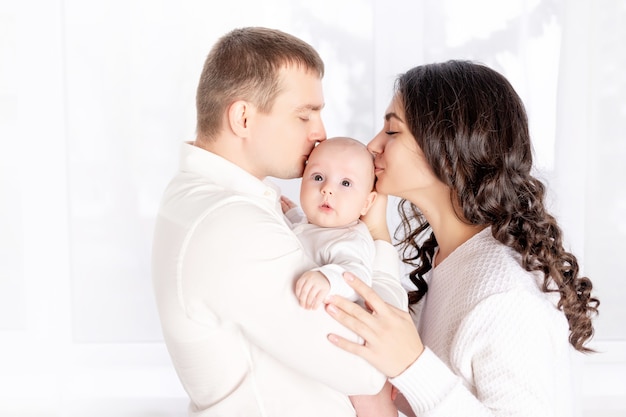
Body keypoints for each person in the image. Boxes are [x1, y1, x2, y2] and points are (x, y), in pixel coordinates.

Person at [151, 27, 406, 417]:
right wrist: (378, 240)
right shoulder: (231, 224)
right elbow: (372, 365)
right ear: (243, 118)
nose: (320, 133)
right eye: (304, 115)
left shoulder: (212, 199)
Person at [324, 60, 600, 417]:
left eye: (392, 132)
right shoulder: (452, 260)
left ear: (450, 150)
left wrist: (413, 365)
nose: (373, 145)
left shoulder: (504, 296)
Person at [281, 137, 378, 310]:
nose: (327, 188)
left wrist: (328, 279)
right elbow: (309, 234)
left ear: (366, 203)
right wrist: (294, 216)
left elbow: (359, 276)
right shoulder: (319, 224)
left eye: (345, 183)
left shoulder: (350, 240)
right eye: (318, 177)